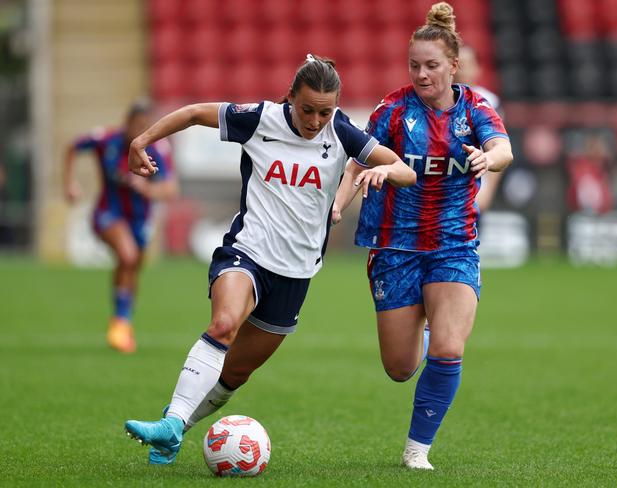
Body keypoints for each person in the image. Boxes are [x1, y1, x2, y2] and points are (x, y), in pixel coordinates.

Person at [123, 55, 416, 464]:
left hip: (295, 274)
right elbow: (192, 114)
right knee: (224, 324)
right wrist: (141, 142)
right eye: (307, 109)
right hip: (248, 251)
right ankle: (172, 419)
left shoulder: (343, 133)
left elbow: (406, 171)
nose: (314, 120)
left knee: (235, 374)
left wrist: (383, 172)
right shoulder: (260, 119)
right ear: (291, 98)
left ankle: (175, 430)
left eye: (324, 112)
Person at [333, 3, 513, 470]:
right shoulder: (392, 109)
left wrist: (486, 160)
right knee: (400, 368)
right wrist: (338, 204)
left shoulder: (475, 107)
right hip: (395, 247)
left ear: (454, 65)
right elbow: (358, 159)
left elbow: (503, 148)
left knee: (450, 348)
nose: (421, 73)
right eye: (414, 64)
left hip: (454, 242)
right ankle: (430, 329)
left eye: (431, 65)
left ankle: (418, 450)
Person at [63, 100, 178, 354]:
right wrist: (69, 183)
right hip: (108, 213)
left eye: (146, 126)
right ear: (127, 123)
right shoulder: (106, 140)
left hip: (140, 220)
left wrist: (147, 188)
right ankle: (120, 323)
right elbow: (73, 146)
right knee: (127, 255)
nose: (140, 131)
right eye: (136, 125)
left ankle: (122, 324)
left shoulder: (159, 148)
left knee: (132, 266)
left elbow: (171, 189)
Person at [453, 44, 504, 212]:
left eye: (467, 64)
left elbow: (499, 148)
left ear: (477, 69)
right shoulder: (435, 101)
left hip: (474, 186)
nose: (461, 70)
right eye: (457, 64)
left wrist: (488, 189)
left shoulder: (488, 102)